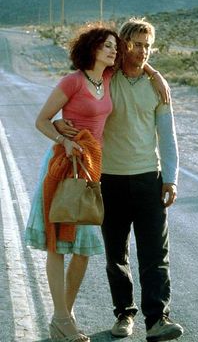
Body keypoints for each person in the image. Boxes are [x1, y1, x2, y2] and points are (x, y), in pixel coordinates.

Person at [56, 18, 183, 342]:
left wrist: (171, 179)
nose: (142, 52)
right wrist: (60, 125)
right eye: (136, 44)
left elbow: (167, 138)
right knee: (116, 255)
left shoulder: (157, 86)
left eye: (148, 46)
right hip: (108, 179)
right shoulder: (106, 79)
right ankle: (124, 314)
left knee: (155, 255)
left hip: (148, 179)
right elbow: (77, 98)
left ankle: (157, 319)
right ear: (124, 44)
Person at [25, 23, 120, 342]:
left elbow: (138, 62)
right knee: (58, 246)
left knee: (83, 248)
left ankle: (62, 317)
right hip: (64, 168)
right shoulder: (73, 81)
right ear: (92, 48)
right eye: (107, 45)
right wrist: (62, 139)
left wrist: (157, 76)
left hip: (91, 169)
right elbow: (42, 120)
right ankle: (63, 319)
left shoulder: (107, 79)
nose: (113, 50)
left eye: (115, 46)